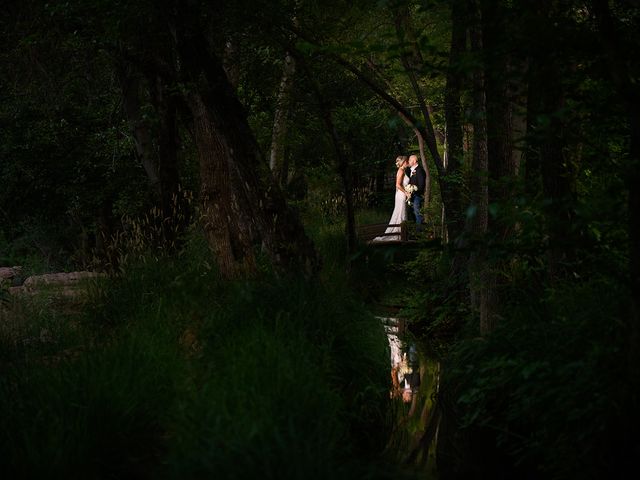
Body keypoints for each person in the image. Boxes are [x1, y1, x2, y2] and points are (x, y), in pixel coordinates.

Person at [372, 155, 409, 242]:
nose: (407, 163)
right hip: (401, 195)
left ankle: (401, 234)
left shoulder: (403, 170)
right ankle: (398, 234)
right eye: (406, 161)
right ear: (403, 162)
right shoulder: (400, 171)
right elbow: (397, 185)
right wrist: (406, 192)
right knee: (400, 213)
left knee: (402, 213)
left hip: (402, 194)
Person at [405, 154, 426, 227]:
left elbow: (421, 185)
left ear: (414, 161)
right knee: (412, 214)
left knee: (417, 213)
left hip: (417, 196)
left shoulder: (420, 170)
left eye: (410, 160)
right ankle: (414, 231)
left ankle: (419, 233)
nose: (408, 161)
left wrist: (413, 189)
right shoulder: (410, 170)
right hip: (412, 196)